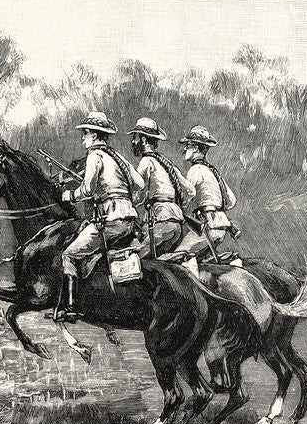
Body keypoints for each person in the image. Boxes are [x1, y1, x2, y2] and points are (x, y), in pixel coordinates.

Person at [57, 112, 145, 322]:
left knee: (69, 255)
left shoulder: (94, 156)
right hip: (129, 220)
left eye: (85, 133)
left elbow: (87, 191)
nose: (83, 138)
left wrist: (69, 195)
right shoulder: (119, 157)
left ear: (95, 136)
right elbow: (140, 185)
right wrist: (125, 198)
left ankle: (70, 307)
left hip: (110, 221)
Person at [169, 126, 239, 268]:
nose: (184, 150)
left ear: (195, 148)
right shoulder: (213, 171)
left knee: (174, 261)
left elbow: (187, 195)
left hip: (206, 228)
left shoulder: (195, 170)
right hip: (221, 228)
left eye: (187, 146)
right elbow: (231, 201)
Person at [128, 117, 196, 258]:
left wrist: (125, 202)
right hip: (176, 226)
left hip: (159, 225)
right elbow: (191, 191)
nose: (133, 141)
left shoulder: (146, 161)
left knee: (133, 260)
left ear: (144, 140)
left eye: (135, 137)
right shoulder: (167, 163)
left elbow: (139, 196)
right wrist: (178, 205)